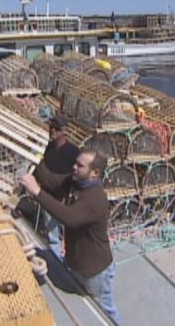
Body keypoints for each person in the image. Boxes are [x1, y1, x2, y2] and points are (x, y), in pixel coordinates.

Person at [19, 150, 121, 325]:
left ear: (94, 173)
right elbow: (52, 181)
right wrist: (34, 155)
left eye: (80, 166)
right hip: (76, 264)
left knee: (106, 314)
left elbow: (69, 217)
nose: (74, 167)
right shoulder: (76, 181)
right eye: (75, 163)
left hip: (95, 272)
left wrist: (37, 192)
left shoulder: (95, 198)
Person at [34, 114, 79, 258]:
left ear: (64, 131)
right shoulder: (47, 147)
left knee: (53, 237)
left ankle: (57, 268)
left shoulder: (73, 152)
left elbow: (62, 181)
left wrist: (41, 170)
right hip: (42, 194)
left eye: (57, 129)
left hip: (57, 200)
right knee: (46, 230)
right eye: (51, 127)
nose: (52, 131)